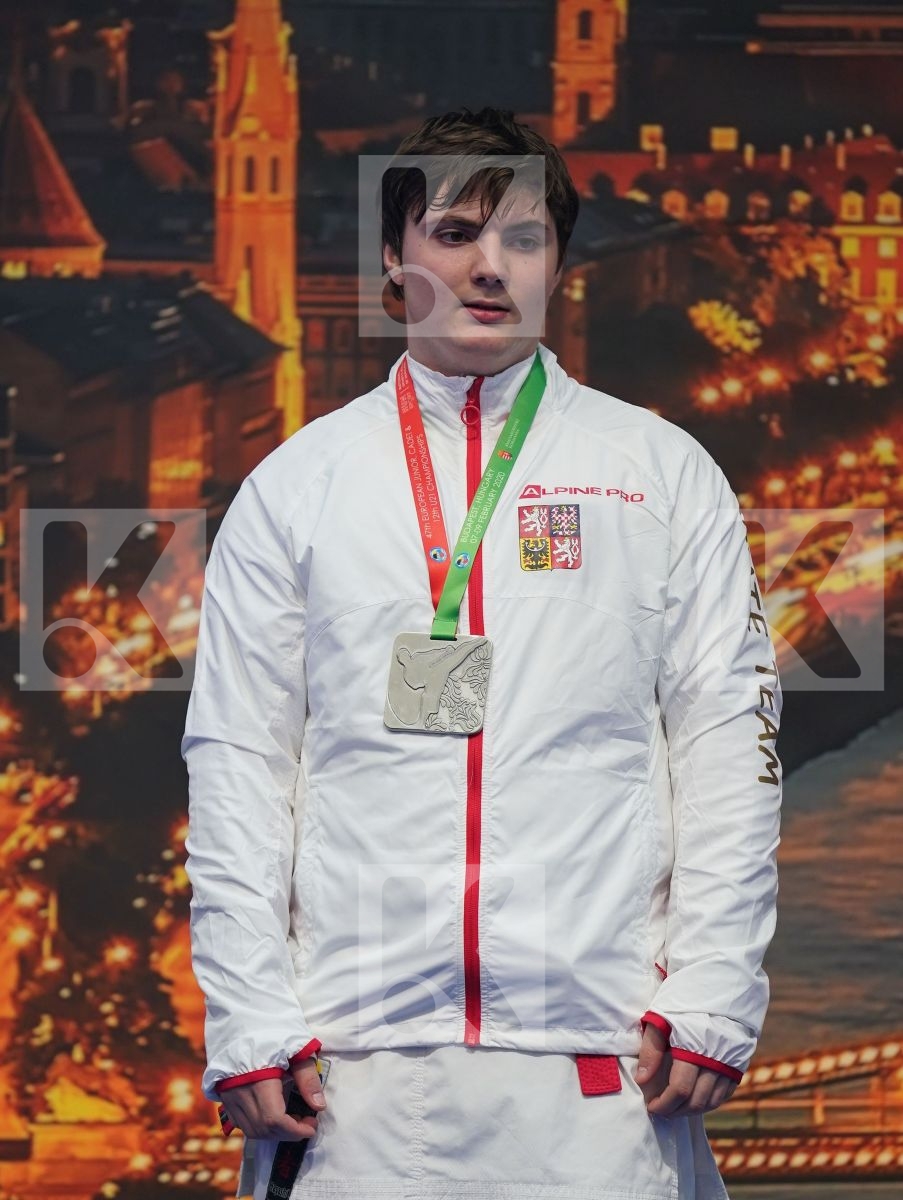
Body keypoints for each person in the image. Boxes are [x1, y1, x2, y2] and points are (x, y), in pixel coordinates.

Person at [181, 107, 783, 1200]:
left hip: (603, 1066)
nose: (490, 265)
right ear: (394, 256)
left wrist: (711, 992)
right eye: (457, 231)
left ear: (559, 264)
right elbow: (238, 767)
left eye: (524, 237)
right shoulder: (297, 487)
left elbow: (728, 748)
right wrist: (249, 1014)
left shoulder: (660, 472)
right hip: (347, 1070)